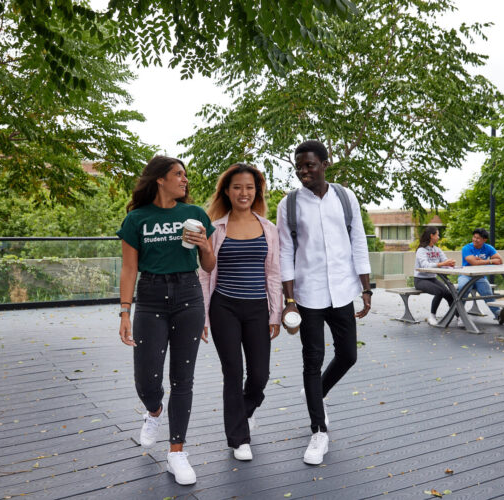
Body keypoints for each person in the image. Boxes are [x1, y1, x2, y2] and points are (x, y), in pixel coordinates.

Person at [116, 155, 215, 486]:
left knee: (183, 378)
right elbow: (129, 268)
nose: (185, 180)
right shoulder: (137, 219)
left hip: (188, 294)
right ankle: (154, 410)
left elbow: (210, 265)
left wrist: (203, 246)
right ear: (160, 179)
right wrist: (125, 311)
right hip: (151, 297)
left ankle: (177, 452)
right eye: (178, 174)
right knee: (146, 378)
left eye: (186, 175)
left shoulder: (195, 215)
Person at [277, 140, 372, 465]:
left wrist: (366, 288)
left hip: (343, 291)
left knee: (348, 355)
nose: (303, 171)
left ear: (325, 164)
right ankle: (319, 432)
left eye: (309, 165)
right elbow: (285, 254)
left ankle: (317, 392)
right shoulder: (288, 205)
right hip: (309, 294)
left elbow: (358, 241)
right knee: (312, 360)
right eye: (299, 166)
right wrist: (289, 300)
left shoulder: (346, 197)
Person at [199, 163, 282, 462]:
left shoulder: (268, 228)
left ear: (257, 191)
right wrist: (203, 318)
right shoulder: (215, 227)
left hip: (258, 308)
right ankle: (238, 439)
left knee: (259, 375)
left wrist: (276, 313)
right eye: (237, 187)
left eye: (249, 187)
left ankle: (245, 412)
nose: (243, 192)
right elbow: (205, 275)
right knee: (233, 373)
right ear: (226, 191)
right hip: (224, 307)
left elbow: (273, 274)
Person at [458, 228, 504, 324]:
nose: (475, 240)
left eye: (478, 238)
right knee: (463, 288)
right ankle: (460, 315)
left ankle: (498, 314)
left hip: (480, 276)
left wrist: (479, 261)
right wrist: (490, 261)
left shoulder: (488, 247)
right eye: (474, 237)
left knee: (488, 293)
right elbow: (473, 263)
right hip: (466, 275)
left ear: (484, 240)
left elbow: (500, 261)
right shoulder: (466, 248)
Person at [414, 226, 457, 326]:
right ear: (431, 236)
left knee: (450, 294)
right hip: (420, 280)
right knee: (439, 292)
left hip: (432, 279)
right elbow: (425, 266)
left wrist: (451, 265)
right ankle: (432, 316)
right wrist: (442, 264)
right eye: (437, 234)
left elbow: (445, 262)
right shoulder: (421, 250)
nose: (439, 237)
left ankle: (459, 317)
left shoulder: (437, 250)